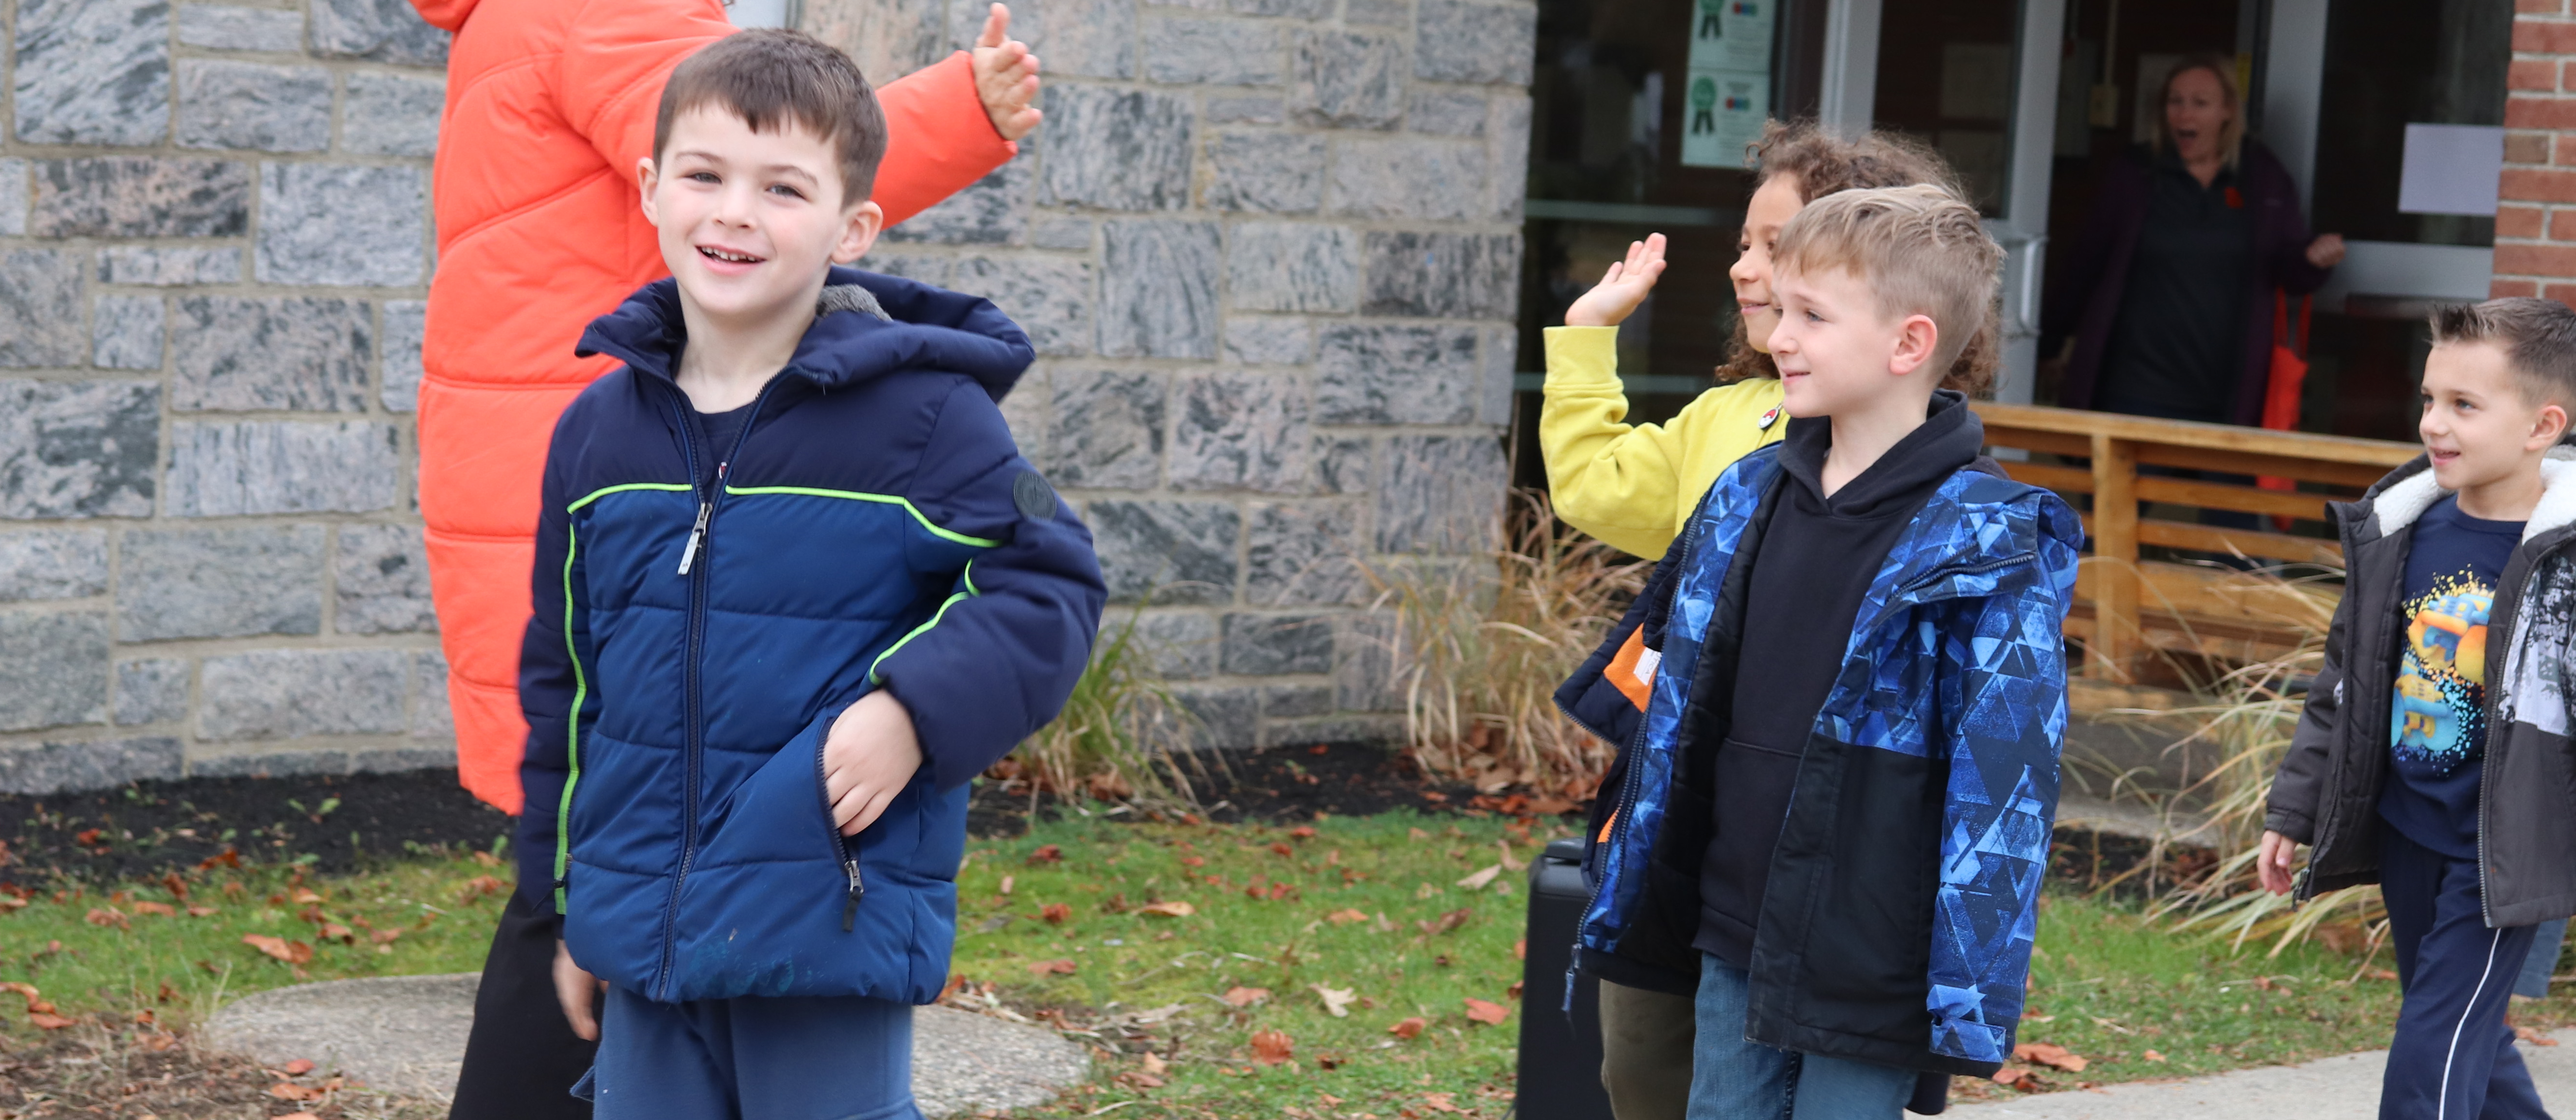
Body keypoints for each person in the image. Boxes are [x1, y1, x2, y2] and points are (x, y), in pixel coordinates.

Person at [410, 0, 1043, 1113]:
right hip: (638, 454)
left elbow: (1040, 581)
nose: (734, 206)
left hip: (809, 888)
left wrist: (914, 709)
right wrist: (957, 109)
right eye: (693, 181)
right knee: (597, 814)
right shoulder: (600, 10)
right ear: (656, 184)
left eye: (786, 195)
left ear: (856, 228)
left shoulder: (921, 418)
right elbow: (770, 135)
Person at [1555, 185, 2081, 1120]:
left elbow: (2005, 781)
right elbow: (1674, 705)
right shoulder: (1743, 496)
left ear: (1908, 344)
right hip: (1731, 920)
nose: (1778, 337)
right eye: (1782, 311)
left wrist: (1969, 988)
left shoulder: (1995, 538)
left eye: (1811, 316)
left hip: (1872, 947)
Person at [2257, 298, 2576, 1120]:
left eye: (2465, 406)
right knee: (2468, 1038)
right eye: (2430, 398)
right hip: (2408, 829)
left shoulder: (2563, 561)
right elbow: (2343, 684)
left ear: (2543, 425)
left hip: (2502, 852)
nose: (2434, 423)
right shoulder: (2403, 528)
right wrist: (2294, 805)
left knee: (2429, 1059)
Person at [1542, 120, 1981, 564]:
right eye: (1744, 245)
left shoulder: (1914, 452)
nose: (1741, 269)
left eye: (1776, 248)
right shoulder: (1724, 415)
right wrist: (1587, 331)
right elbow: (1592, 489)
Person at [2045, 53, 2345, 426]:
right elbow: (2086, 263)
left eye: (2200, 104)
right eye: (2176, 102)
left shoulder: (2261, 175)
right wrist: (2049, 342)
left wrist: (2312, 259)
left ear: (2228, 112)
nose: (2185, 115)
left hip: (2226, 395)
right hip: (2135, 389)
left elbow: (2288, 268)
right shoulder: (2135, 173)